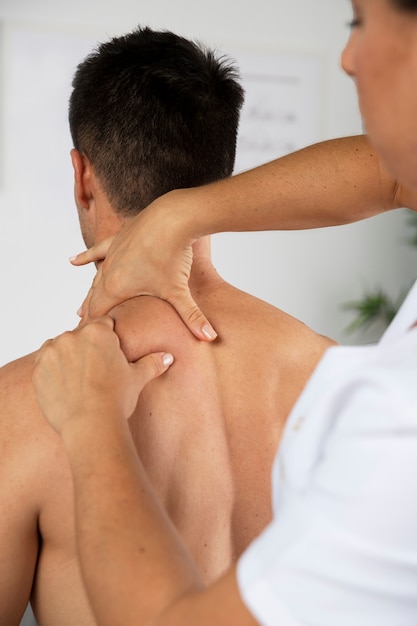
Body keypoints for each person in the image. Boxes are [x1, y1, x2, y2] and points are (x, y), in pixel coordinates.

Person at [33, 1, 417, 625]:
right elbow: (395, 179)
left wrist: (91, 421)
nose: (346, 56)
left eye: (360, 23)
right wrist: (177, 214)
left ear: (82, 175)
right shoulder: (329, 373)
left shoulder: (29, 403)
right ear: (223, 168)